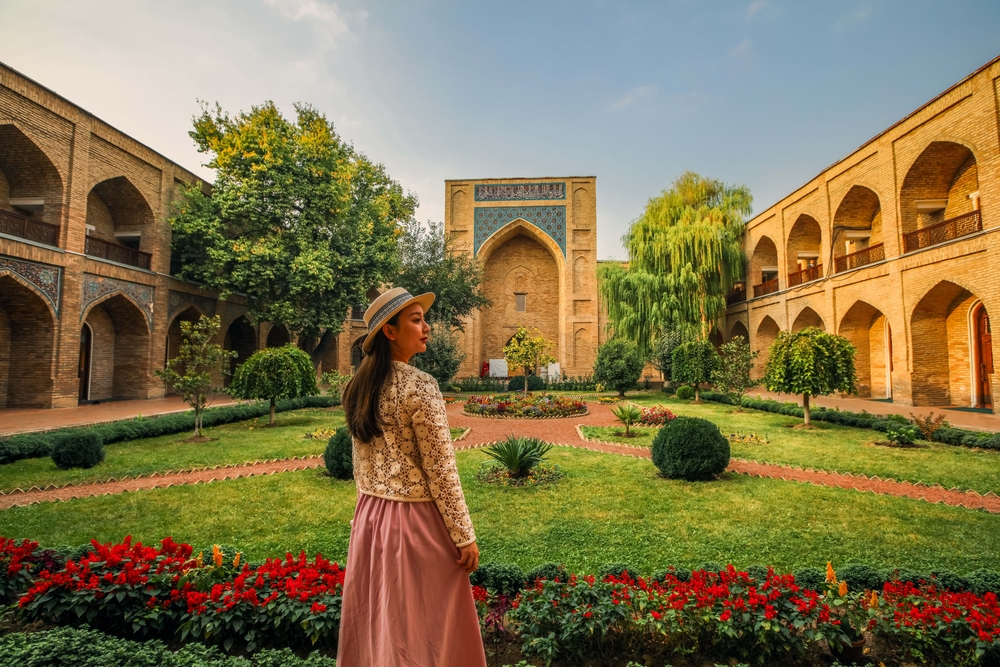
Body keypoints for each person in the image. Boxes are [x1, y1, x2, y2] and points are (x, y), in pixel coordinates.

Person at [337, 287, 486, 667]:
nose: (427, 327)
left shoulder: (357, 388)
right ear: (390, 331)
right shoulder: (419, 386)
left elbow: (361, 466)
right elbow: (442, 470)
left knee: (381, 623)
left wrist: (370, 510)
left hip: (370, 521)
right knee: (421, 632)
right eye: (416, 320)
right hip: (413, 524)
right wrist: (463, 535)